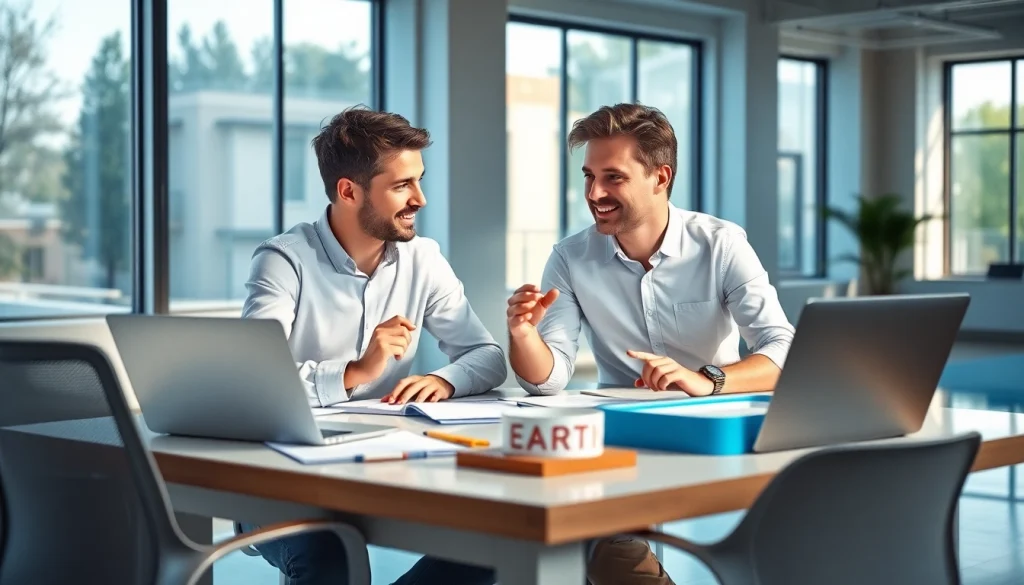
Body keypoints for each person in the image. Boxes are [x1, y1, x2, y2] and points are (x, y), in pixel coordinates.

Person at [507, 103, 796, 584]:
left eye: (613, 178)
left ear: (660, 177)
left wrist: (706, 380)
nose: (594, 193)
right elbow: (549, 377)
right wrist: (522, 336)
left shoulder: (721, 244)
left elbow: (782, 347)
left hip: (720, 425)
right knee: (594, 536)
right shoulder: (571, 257)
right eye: (588, 176)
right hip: (626, 432)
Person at [239, 106, 503, 584]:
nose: (420, 199)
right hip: (277, 477)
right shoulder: (284, 260)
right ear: (348, 190)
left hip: (380, 467)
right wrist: (355, 372)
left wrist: (444, 378)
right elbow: (256, 380)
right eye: (402, 185)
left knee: (493, 547)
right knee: (328, 554)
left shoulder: (424, 259)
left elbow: (487, 357)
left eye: (419, 181)